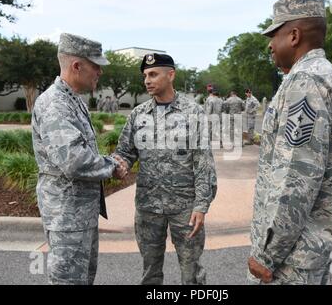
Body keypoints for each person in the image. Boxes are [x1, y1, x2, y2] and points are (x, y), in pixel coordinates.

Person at [247, 0, 332, 285]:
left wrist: (267, 254)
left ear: (293, 35)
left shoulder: (305, 81)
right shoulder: (324, 75)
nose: (270, 44)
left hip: (289, 260)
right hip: (308, 250)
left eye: (274, 34)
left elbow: (296, 177)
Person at [114, 53, 217, 285]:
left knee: (191, 272)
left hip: (185, 207)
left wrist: (201, 205)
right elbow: (125, 152)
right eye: (145, 76)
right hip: (148, 207)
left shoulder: (193, 113)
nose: (147, 80)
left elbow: (203, 161)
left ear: (170, 75)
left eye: (153, 74)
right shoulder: (138, 115)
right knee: (150, 272)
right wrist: (114, 165)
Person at [32, 33, 127, 284]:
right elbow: (74, 160)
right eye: (96, 65)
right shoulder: (55, 104)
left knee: (82, 279)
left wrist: (107, 161)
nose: (100, 72)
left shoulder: (73, 100)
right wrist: (112, 166)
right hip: (67, 216)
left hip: (79, 213)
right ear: (77, 66)